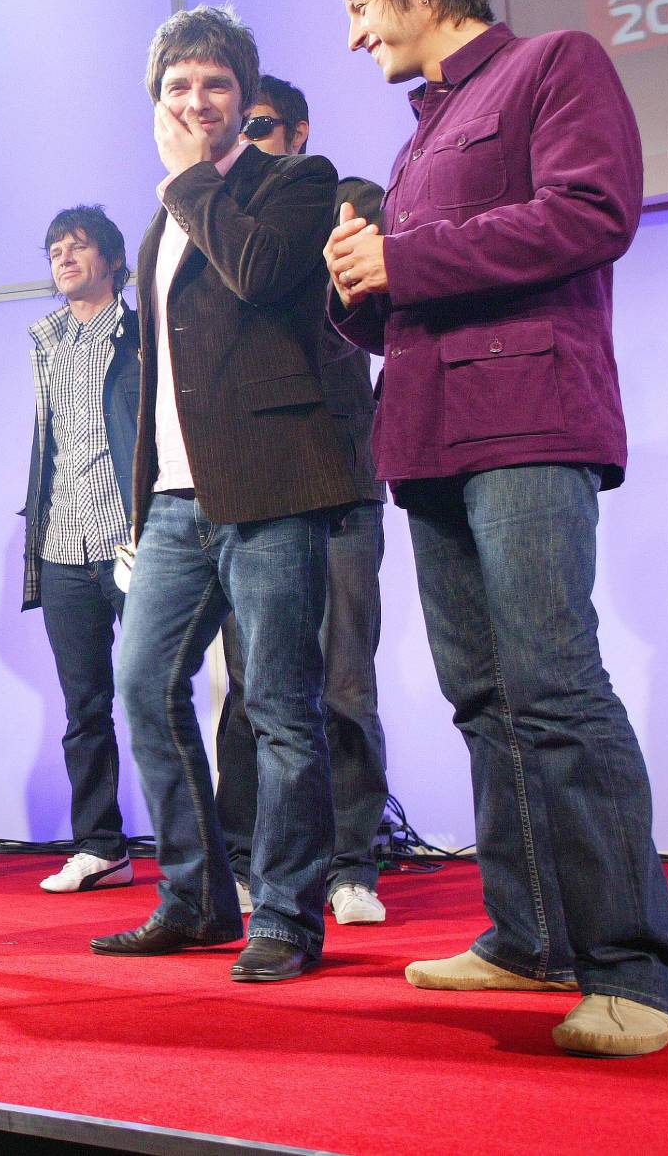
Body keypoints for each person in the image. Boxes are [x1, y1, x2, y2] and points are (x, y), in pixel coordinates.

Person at [325, 0, 668, 1056]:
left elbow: (589, 214)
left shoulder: (549, 66)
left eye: (359, 8)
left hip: (528, 423)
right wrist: (360, 292)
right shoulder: (418, 133)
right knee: (483, 698)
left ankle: (635, 970)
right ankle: (527, 935)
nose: (352, 38)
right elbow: (417, 302)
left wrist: (404, 253)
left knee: (554, 688)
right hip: (427, 436)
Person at [90, 6, 353, 984]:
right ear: (155, 97)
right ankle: (195, 896)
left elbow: (253, 273)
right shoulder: (164, 214)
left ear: (242, 95)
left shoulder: (294, 182)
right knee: (140, 687)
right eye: (177, 87)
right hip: (169, 500)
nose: (194, 101)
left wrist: (190, 178)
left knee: (278, 707)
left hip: (272, 485)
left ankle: (284, 911)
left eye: (212, 85)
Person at [215, 75, 391, 926]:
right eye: (240, 128)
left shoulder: (343, 196)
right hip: (259, 486)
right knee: (252, 686)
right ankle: (248, 859)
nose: (251, 140)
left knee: (346, 684)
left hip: (346, 479)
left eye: (264, 126)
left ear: (300, 129)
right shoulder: (218, 221)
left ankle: (352, 863)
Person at [20, 205, 140, 896]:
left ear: (113, 259)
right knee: (83, 707)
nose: (65, 256)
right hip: (64, 543)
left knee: (158, 697)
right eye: (55, 247)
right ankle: (101, 846)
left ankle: (204, 851)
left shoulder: (140, 330)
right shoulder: (46, 341)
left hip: (133, 539)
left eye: (79, 245)